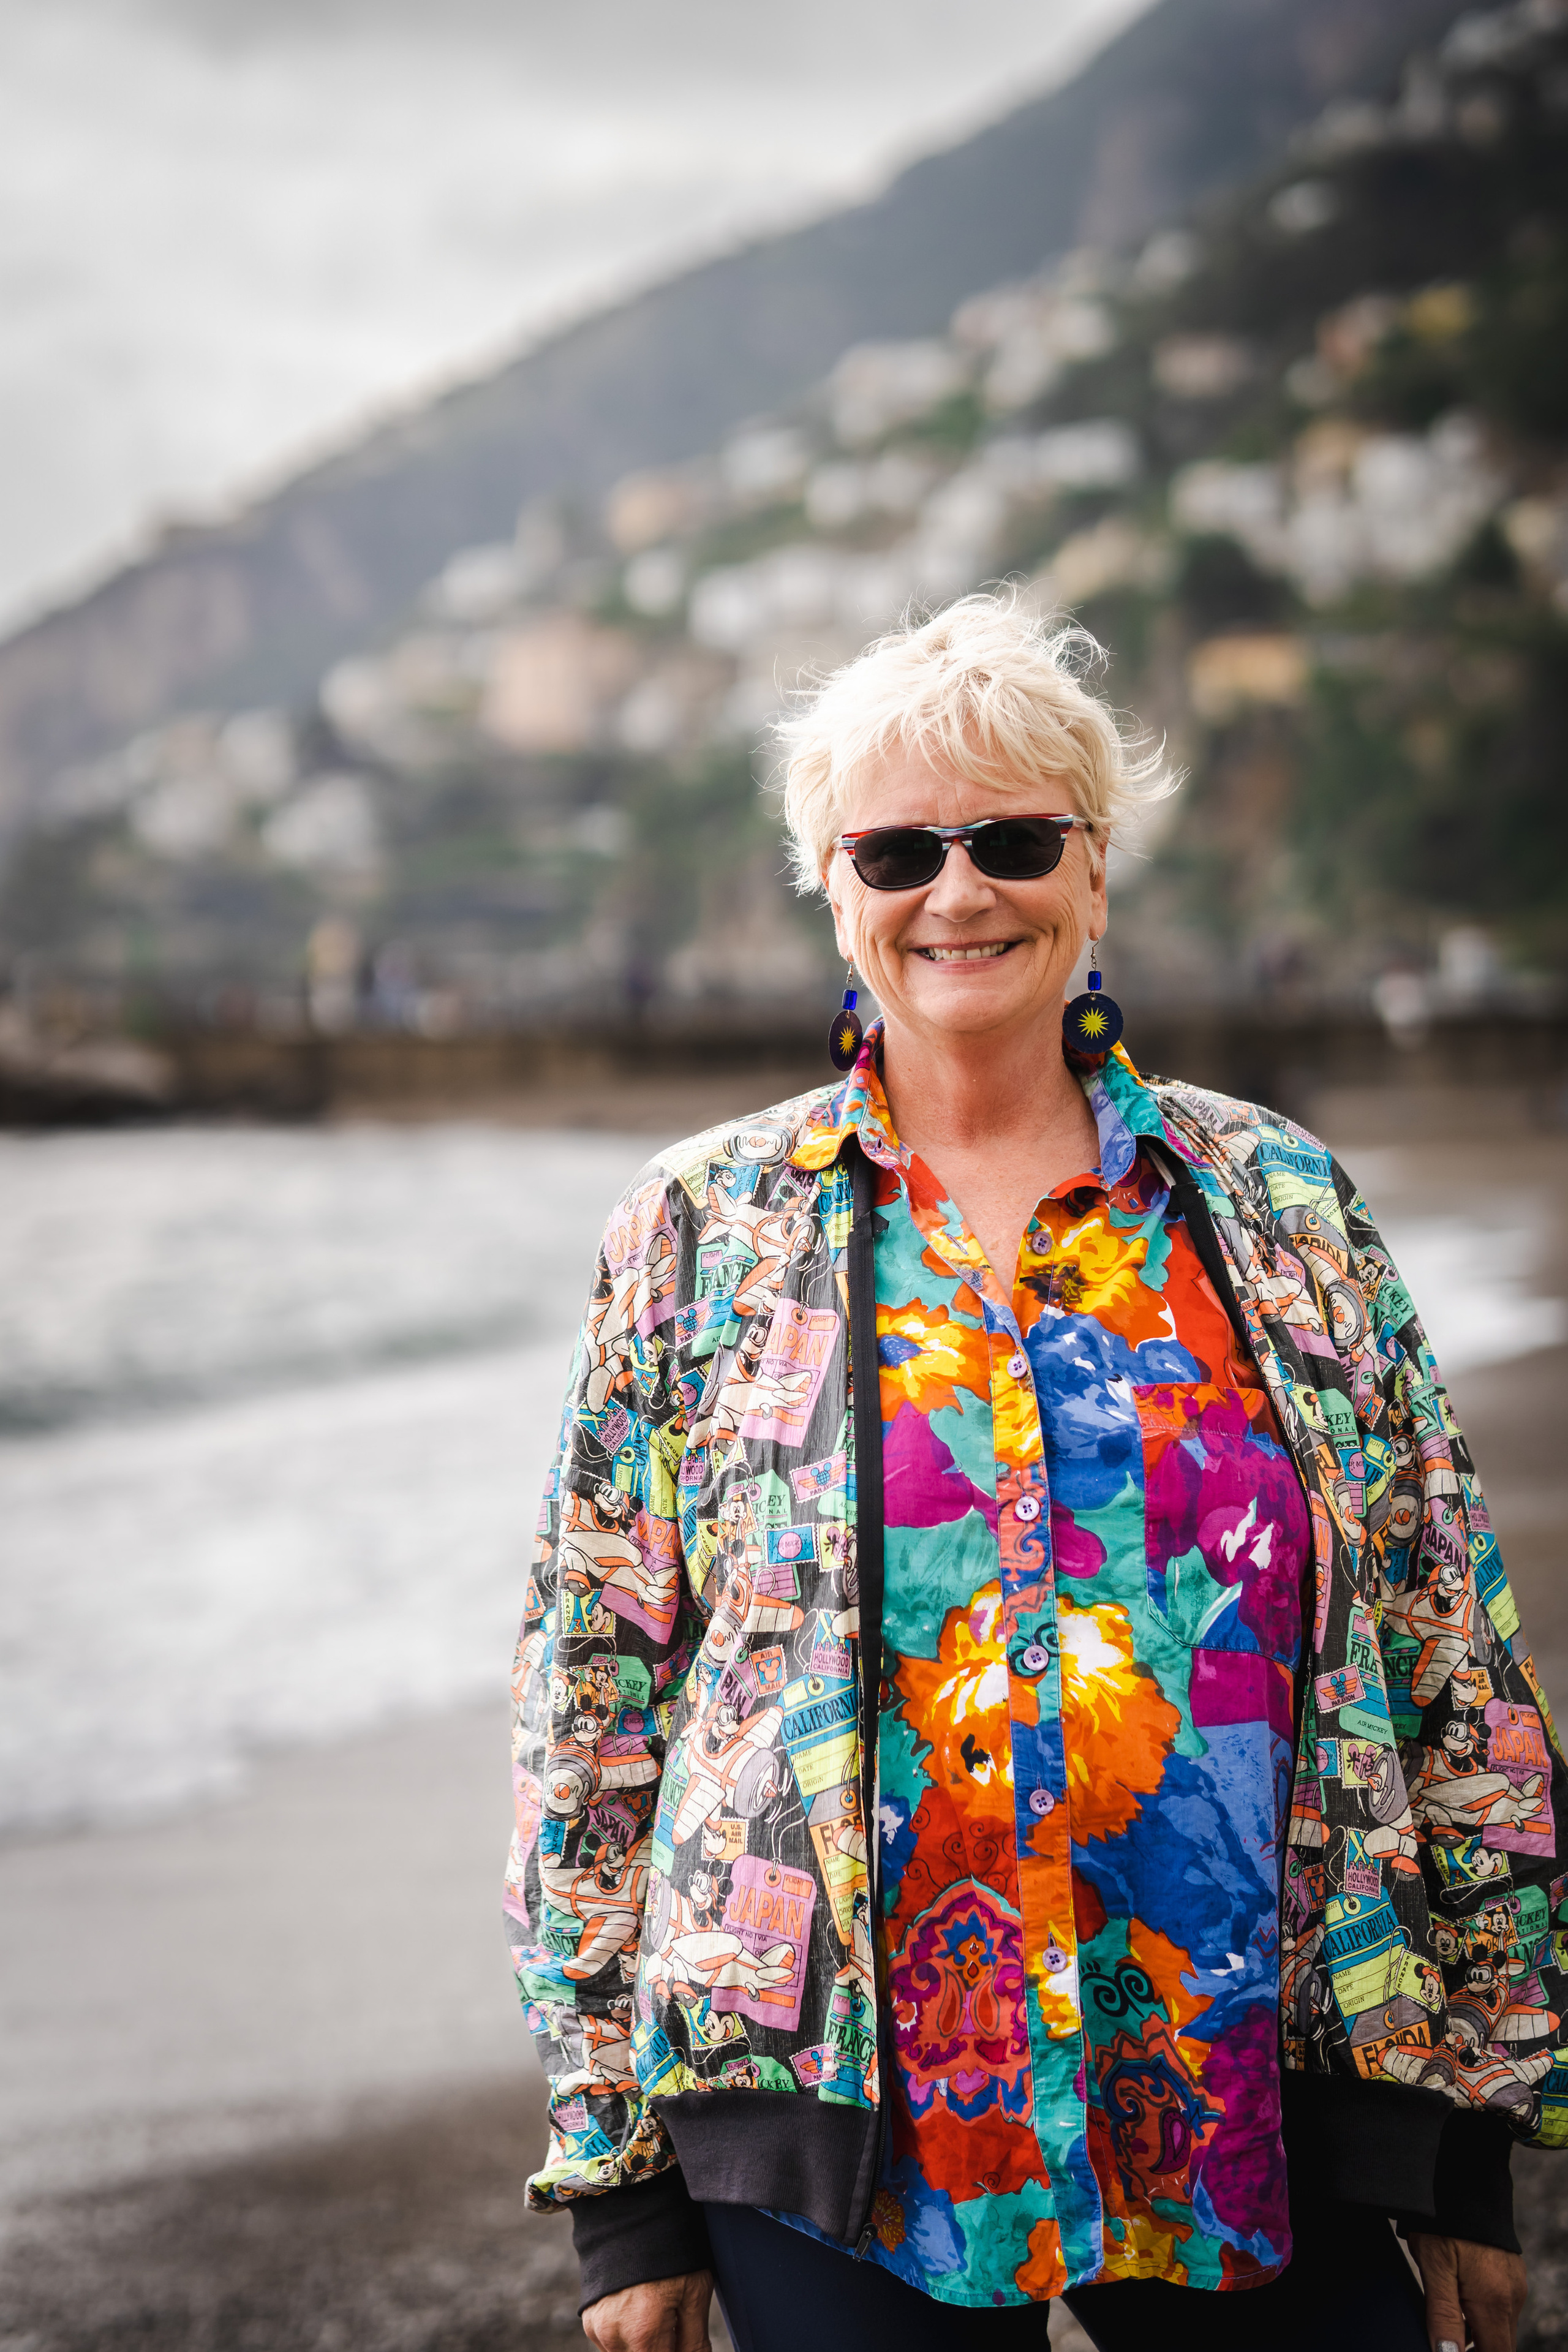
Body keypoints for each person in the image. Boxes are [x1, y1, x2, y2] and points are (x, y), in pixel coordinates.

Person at [506, 593, 1560, 2352]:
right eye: (901, 848)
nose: (958, 890)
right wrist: (618, 2190)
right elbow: (595, 1711)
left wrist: (1468, 2136)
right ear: (833, 886)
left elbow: (1455, 1653)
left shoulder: (1278, 1205)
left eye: (1009, 838)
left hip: (1254, 2083)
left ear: (1093, 864)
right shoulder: (697, 1232)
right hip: (838, 2123)